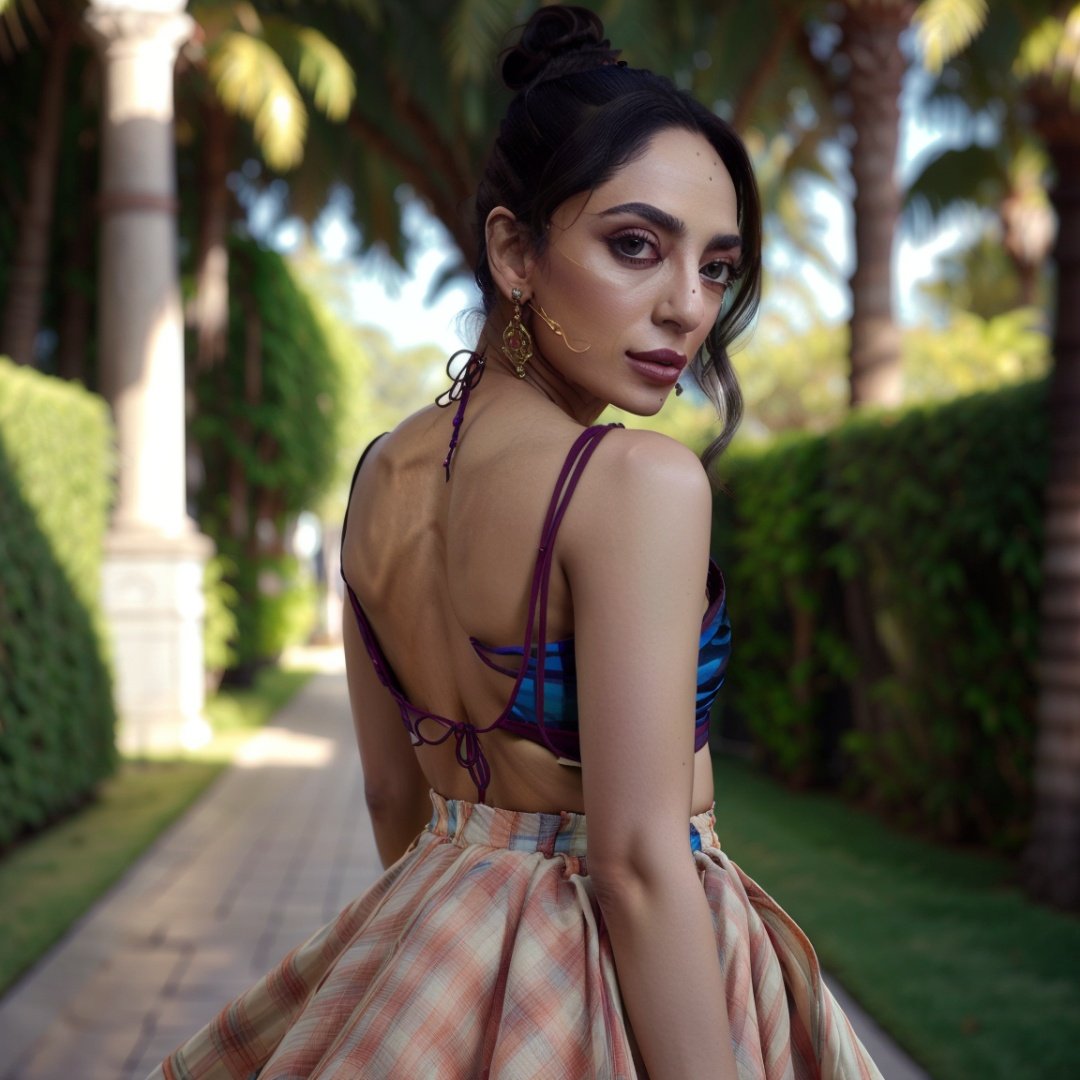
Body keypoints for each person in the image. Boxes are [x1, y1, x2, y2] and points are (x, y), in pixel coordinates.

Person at [151, 6, 883, 1078]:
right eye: (636, 246)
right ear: (514, 250)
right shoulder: (638, 481)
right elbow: (636, 863)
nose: (688, 307)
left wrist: (456, 971)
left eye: (718, 267)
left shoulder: (374, 478)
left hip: (428, 942)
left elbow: (394, 798)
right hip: (638, 978)